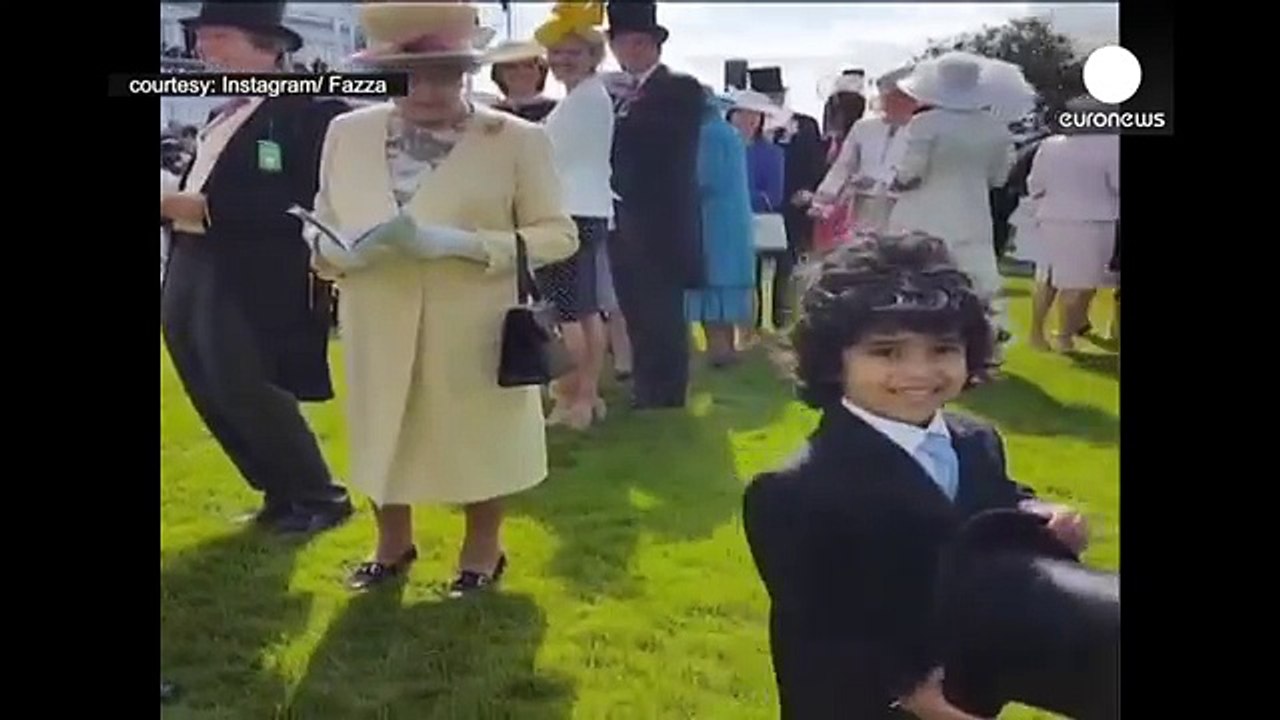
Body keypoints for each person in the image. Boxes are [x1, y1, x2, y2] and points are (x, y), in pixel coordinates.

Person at [743, 234, 1090, 719]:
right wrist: (916, 697)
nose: (919, 371)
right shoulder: (795, 489)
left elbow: (995, 507)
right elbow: (825, 628)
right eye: (887, 353)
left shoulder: (977, 441)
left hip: (968, 685)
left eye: (942, 349)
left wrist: (1040, 516)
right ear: (832, 360)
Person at [309, 0, 577, 594]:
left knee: (478, 435)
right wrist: (329, 249)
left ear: (468, 73)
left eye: (444, 73)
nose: (426, 89)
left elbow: (559, 234)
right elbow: (325, 215)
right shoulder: (346, 132)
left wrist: (465, 243)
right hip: (376, 312)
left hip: (473, 318)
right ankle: (392, 542)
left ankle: (483, 551)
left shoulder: (515, 139)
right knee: (383, 429)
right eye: (409, 75)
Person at [160, 0, 353, 534]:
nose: (203, 50)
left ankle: (318, 494)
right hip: (191, 255)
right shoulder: (223, 112)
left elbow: (305, 199)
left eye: (218, 37)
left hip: (251, 266)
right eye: (201, 38)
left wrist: (205, 209)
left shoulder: (312, 110)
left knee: (243, 379)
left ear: (268, 47)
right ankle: (278, 490)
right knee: (203, 377)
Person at [888, 52, 1033, 357]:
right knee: (974, 272)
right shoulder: (996, 128)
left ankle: (917, 332)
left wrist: (895, 182)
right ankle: (986, 334)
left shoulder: (925, 124)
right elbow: (998, 178)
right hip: (972, 209)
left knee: (917, 269)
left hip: (923, 207)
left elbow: (911, 172)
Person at [604, 0, 705, 409]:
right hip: (622, 217)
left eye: (640, 42)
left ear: (655, 45)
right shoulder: (612, 93)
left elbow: (658, 139)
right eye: (624, 42)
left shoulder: (679, 87)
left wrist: (620, 113)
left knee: (662, 309)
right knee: (634, 308)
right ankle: (645, 387)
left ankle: (667, 392)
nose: (632, 50)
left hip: (662, 218)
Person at [533, 1, 615, 428]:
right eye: (558, 52)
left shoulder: (584, 101)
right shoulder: (589, 98)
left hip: (567, 214)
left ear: (592, 57)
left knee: (568, 313)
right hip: (589, 211)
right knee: (585, 311)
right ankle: (586, 396)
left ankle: (573, 399)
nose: (562, 60)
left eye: (574, 53)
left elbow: (543, 154)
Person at [1025, 96, 1120, 353]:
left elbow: (1035, 184)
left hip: (1050, 217)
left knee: (1048, 277)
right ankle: (1064, 335)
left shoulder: (1050, 145)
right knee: (1081, 281)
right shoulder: (1112, 145)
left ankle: (1037, 334)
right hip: (1093, 220)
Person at [685, 89, 756, 367]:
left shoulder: (708, 136)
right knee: (724, 281)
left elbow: (703, 178)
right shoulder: (727, 132)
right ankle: (726, 347)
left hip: (713, 219)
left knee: (712, 280)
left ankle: (720, 350)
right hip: (730, 217)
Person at [753, 65, 824, 327]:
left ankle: (783, 316)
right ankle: (756, 319)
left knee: (788, 264)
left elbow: (816, 162)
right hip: (759, 205)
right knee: (753, 266)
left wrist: (808, 191)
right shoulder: (750, 127)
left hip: (793, 204)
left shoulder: (804, 125)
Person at [813, 65, 916, 238]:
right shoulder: (864, 128)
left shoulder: (921, 130)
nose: (888, 103)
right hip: (863, 206)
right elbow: (843, 166)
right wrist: (824, 198)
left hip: (903, 208)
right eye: (887, 97)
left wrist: (886, 182)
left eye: (898, 98)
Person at [725, 89, 786, 336]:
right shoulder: (719, 149)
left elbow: (774, 195)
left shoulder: (772, 154)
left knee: (751, 280)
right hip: (721, 223)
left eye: (755, 116)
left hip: (753, 223)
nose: (749, 121)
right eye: (743, 115)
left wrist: (737, 198)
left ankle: (750, 331)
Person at [489, 40, 559, 123]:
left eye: (528, 65)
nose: (521, 71)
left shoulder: (558, 110)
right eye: (511, 67)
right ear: (499, 73)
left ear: (540, 71)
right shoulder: (490, 115)